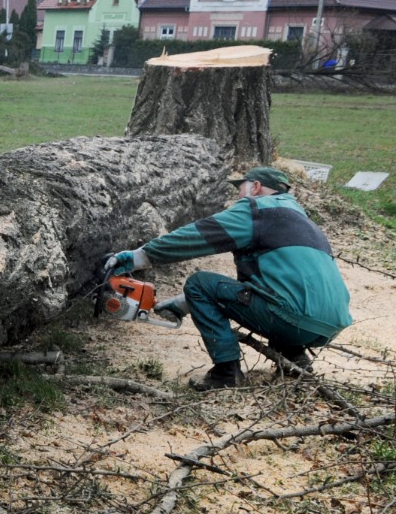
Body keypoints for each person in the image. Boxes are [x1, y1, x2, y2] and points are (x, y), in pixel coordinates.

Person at [104, 165, 352, 390]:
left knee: (199, 283)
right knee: (283, 297)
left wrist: (140, 257)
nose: (239, 197)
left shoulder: (256, 210)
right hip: (329, 326)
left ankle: (226, 374)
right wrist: (182, 304)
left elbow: (198, 235)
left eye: (241, 189)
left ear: (255, 187)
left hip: (291, 318)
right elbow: (261, 287)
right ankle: (296, 362)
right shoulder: (301, 218)